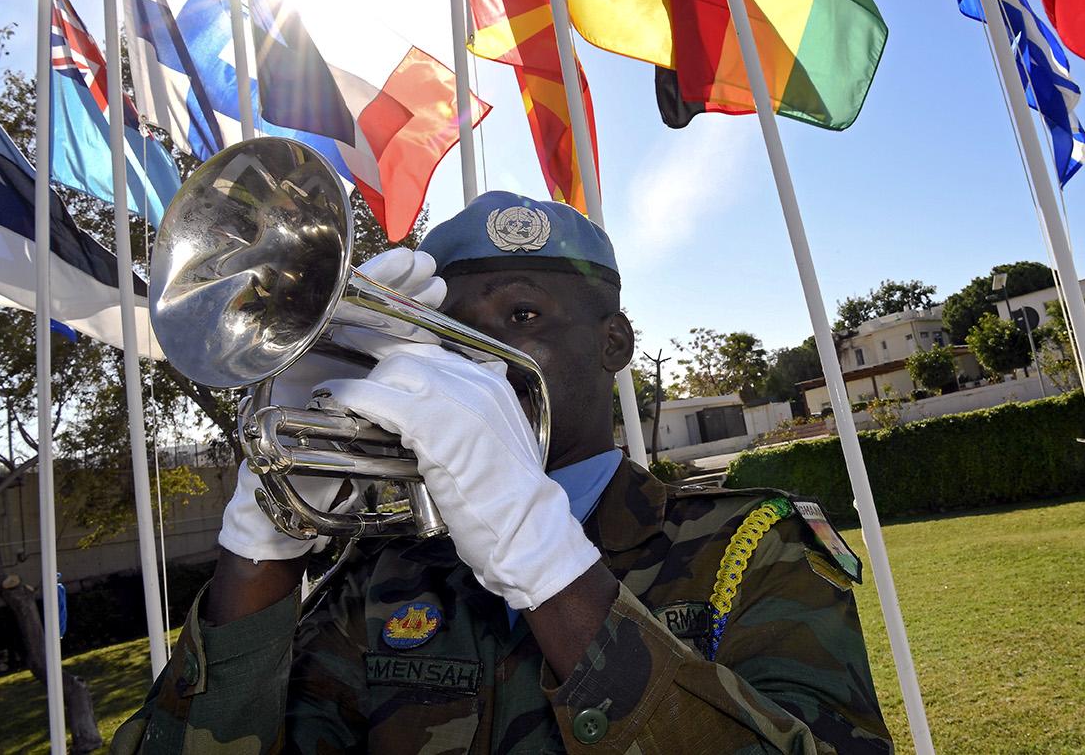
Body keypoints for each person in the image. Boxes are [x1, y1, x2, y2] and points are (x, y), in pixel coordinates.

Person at [112, 192, 893, 754]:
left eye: (523, 319)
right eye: (451, 333)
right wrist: (264, 546)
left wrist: (543, 559)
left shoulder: (751, 546)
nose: (479, 360)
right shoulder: (387, 574)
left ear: (613, 344)